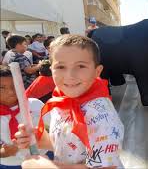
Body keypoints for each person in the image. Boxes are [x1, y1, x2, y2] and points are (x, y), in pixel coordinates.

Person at [15, 34, 124, 168]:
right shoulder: (60, 103)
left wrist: (49, 167)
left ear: (97, 71)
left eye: (81, 66)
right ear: (51, 70)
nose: (70, 76)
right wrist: (36, 138)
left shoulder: (102, 116)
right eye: (61, 67)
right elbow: (66, 144)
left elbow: (107, 167)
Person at [0, 65, 49, 168]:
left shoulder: (34, 105)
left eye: (14, 85)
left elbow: (53, 129)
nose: (11, 92)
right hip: (10, 164)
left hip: (42, 158)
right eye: (2, 88)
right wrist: (4, 152)